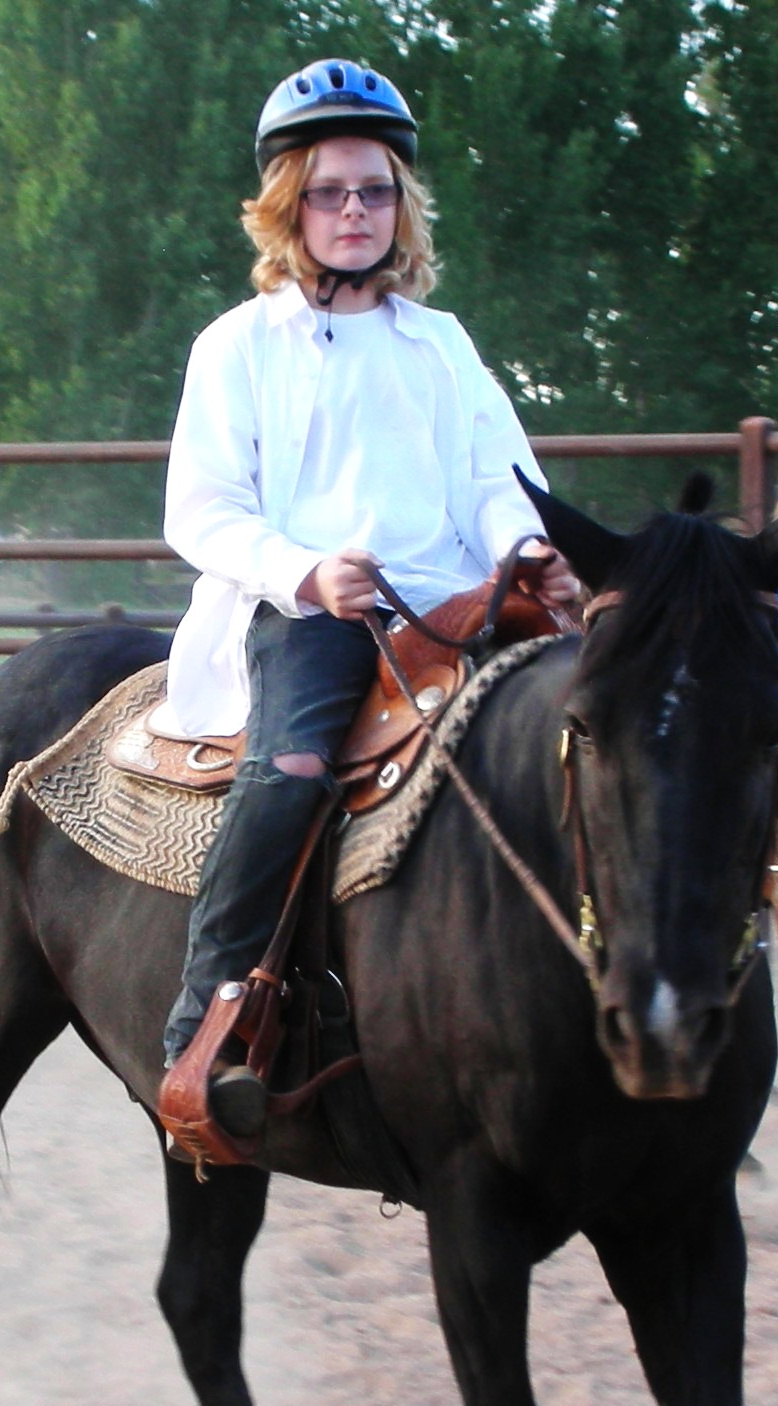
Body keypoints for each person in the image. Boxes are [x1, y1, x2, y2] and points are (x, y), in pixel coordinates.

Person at [157, 57, 578, 1140]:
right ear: (288, 202)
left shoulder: (441, 345)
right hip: (313, 616)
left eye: (375, 189)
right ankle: (206, 1027)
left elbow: (496, 480)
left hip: (455, 605)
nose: (355, 211)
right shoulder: (236, 346)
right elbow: (199, 512)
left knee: (588, 735)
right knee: (293, 769)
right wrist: (307, 571)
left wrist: (530, 552)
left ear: (402, 205)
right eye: (331, 190)